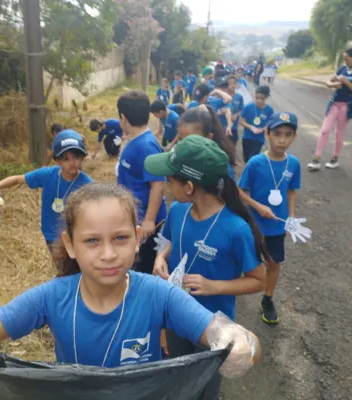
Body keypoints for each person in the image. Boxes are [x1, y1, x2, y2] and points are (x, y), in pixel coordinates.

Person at [0, 183, 261, 380]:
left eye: (119, 238)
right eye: (91, 241)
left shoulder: (159, 295)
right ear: (70, 245)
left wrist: (232, 337)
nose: (107, 254)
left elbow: (215, 330)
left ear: (136, 240)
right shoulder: (51, 298)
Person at [145, 135, 268, 400]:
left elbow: (259, 280)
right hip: (176, 316)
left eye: (170, 179)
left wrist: (214, 286)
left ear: (189, 186)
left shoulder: (236, 229)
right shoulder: (178, 210)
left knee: (204, 386)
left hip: (212, 328)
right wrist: (160, 257)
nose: (166, 185)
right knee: (179, 375)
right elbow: (169, 241)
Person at [238, 112, 302, 324]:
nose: (282, 140)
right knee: (243, 260)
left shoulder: (293, 164)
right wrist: (258, 207)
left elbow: (292, 190)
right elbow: (240, 191)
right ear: (267, 134)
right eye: (277, 134)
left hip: (277, 226)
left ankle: (268, 297)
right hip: (253, 225)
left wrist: (291, 216)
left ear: (294, 136)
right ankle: (230, 291)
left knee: (273, 263)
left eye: (288, 134)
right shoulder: (256, 162)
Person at [0, 130, 93, 256]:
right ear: (58, 161)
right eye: (66, 159)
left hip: (75, 234)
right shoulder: (47, 174)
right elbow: (17, 179)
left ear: (82, 158)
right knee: (60, 266)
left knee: (76, 267)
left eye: (76, 158)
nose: (72, 162)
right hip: (51, 234)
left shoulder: (86, 183)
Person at [116, 91, 167, 275]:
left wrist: (149, 221)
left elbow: (158, 184)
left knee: (145, 267)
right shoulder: (134, 140)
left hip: (147, 222)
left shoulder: (146, 146)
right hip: (135, 216)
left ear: (123, 117)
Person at [307, 48, 352, 171]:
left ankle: (335, 158)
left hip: (348, 105)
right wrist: (334, 84)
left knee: (339, 132)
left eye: (347, 59)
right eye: (344, 60)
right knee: (324, 130)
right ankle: (316, 159)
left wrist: (346, 81)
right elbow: (328, 82)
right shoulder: (342, 69)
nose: (345, 62)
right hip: (335, 103)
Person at [176, 105, 239, 188]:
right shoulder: (183, 159)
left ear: (209, 138)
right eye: (181, 139)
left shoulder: (221, 169)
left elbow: (230, 196)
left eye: (192, 140)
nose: (184, 144)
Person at [239, 85, 274, 163]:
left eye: (262, 98)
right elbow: (241, 121)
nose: (259, 100)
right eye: (257, 98)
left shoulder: (269, 110)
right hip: (247, 137)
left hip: (259, 138)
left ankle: (250, 173)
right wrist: (251, 127)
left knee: (252, 158)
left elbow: (270, 124)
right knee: (246, 158)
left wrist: (262, 129)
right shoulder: (248, 107)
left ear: (266, 97)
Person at [227, 76, 245, 147]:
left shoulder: (239, 97)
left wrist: (236, 115)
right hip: (226, 125)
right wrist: (229, 116)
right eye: (230, 83)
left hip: (234, 125)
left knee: (234, 141)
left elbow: (241, 108)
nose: (232, 85)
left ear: (236, 84)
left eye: (234, 83)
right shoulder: (225, 96)